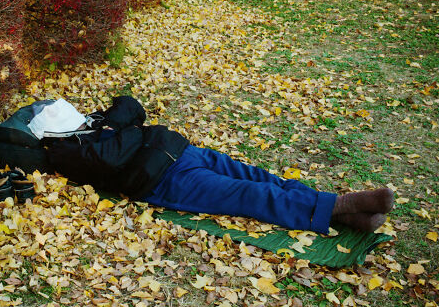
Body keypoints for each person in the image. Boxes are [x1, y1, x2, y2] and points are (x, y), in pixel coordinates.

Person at [43, 96, 393, 234]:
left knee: (260, 176)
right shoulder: (65, 151)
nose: (76, 117)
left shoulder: (95, 123)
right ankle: (344, 205)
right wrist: (115, 129)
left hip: (184, 151)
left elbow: (131, 106)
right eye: (67, 118)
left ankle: (343, 216)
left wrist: (107, 122)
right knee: (248, 193)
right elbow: (109, 156)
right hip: (164, 180)